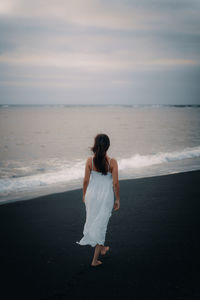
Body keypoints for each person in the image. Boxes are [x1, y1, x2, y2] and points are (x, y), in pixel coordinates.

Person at [76, 133, 120, 267]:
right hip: (105, 196)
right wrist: (117, 199)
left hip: (91, 195)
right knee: (101, 224)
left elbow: (85, 180)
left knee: (95, 220)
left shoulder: (90, 160)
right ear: (108, 146)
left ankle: (102, 248)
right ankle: (94, 260)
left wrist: (84, 194)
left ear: (95, 145)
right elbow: (116, 183)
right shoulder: (112, 162)